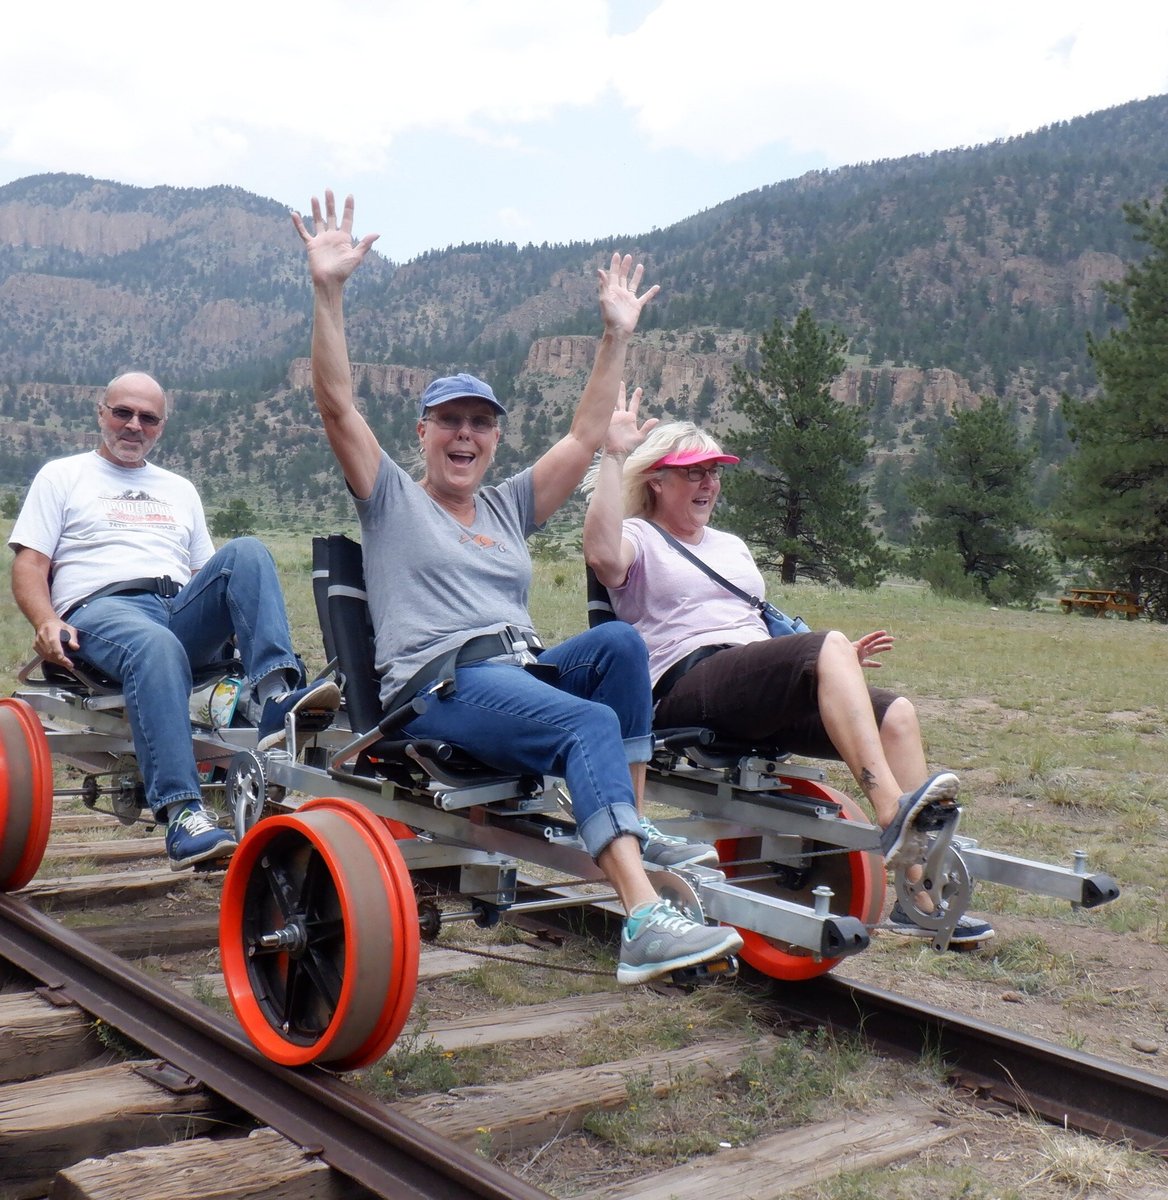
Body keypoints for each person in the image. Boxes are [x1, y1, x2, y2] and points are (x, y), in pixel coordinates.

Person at [294, 190, 743, 985]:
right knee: (585, 725)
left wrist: (615, 336)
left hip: (518, 671)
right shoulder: (392, 498)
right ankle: (642, 917)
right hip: (444, 686)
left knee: (618, 643)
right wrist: (328, 292)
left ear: (495, 436)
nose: (465, 435)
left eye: (480, 423)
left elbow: (583, 433)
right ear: (423, 433)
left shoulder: (508, 506)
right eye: (449, 422)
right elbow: (336, 404)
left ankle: (626, 824)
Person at [582, 397, 994, 944]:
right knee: (825, 647)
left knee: (896, 712)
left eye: (713, 472)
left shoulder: (731, 546)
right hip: (687, 682)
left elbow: (758, 624)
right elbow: (601, 554)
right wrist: (611, 454)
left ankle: (916, 896)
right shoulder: (639, 537)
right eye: (692, 474)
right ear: (656, 481)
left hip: (755, 682)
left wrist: (836, 665)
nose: (708, 484)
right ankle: (895, 812)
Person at [9, 371, 341, 871]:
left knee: (247, 552)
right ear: (101, 413)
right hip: (101, 611)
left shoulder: (179, 489)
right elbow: (30, 564)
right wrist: (46, 619)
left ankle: (274, 698)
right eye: (122, 413)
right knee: (155, 645)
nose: (133, 425)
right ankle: (183, 812)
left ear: (161, 427)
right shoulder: (62, 475)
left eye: (147, 418)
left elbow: (205, 577)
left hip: (174, 607)